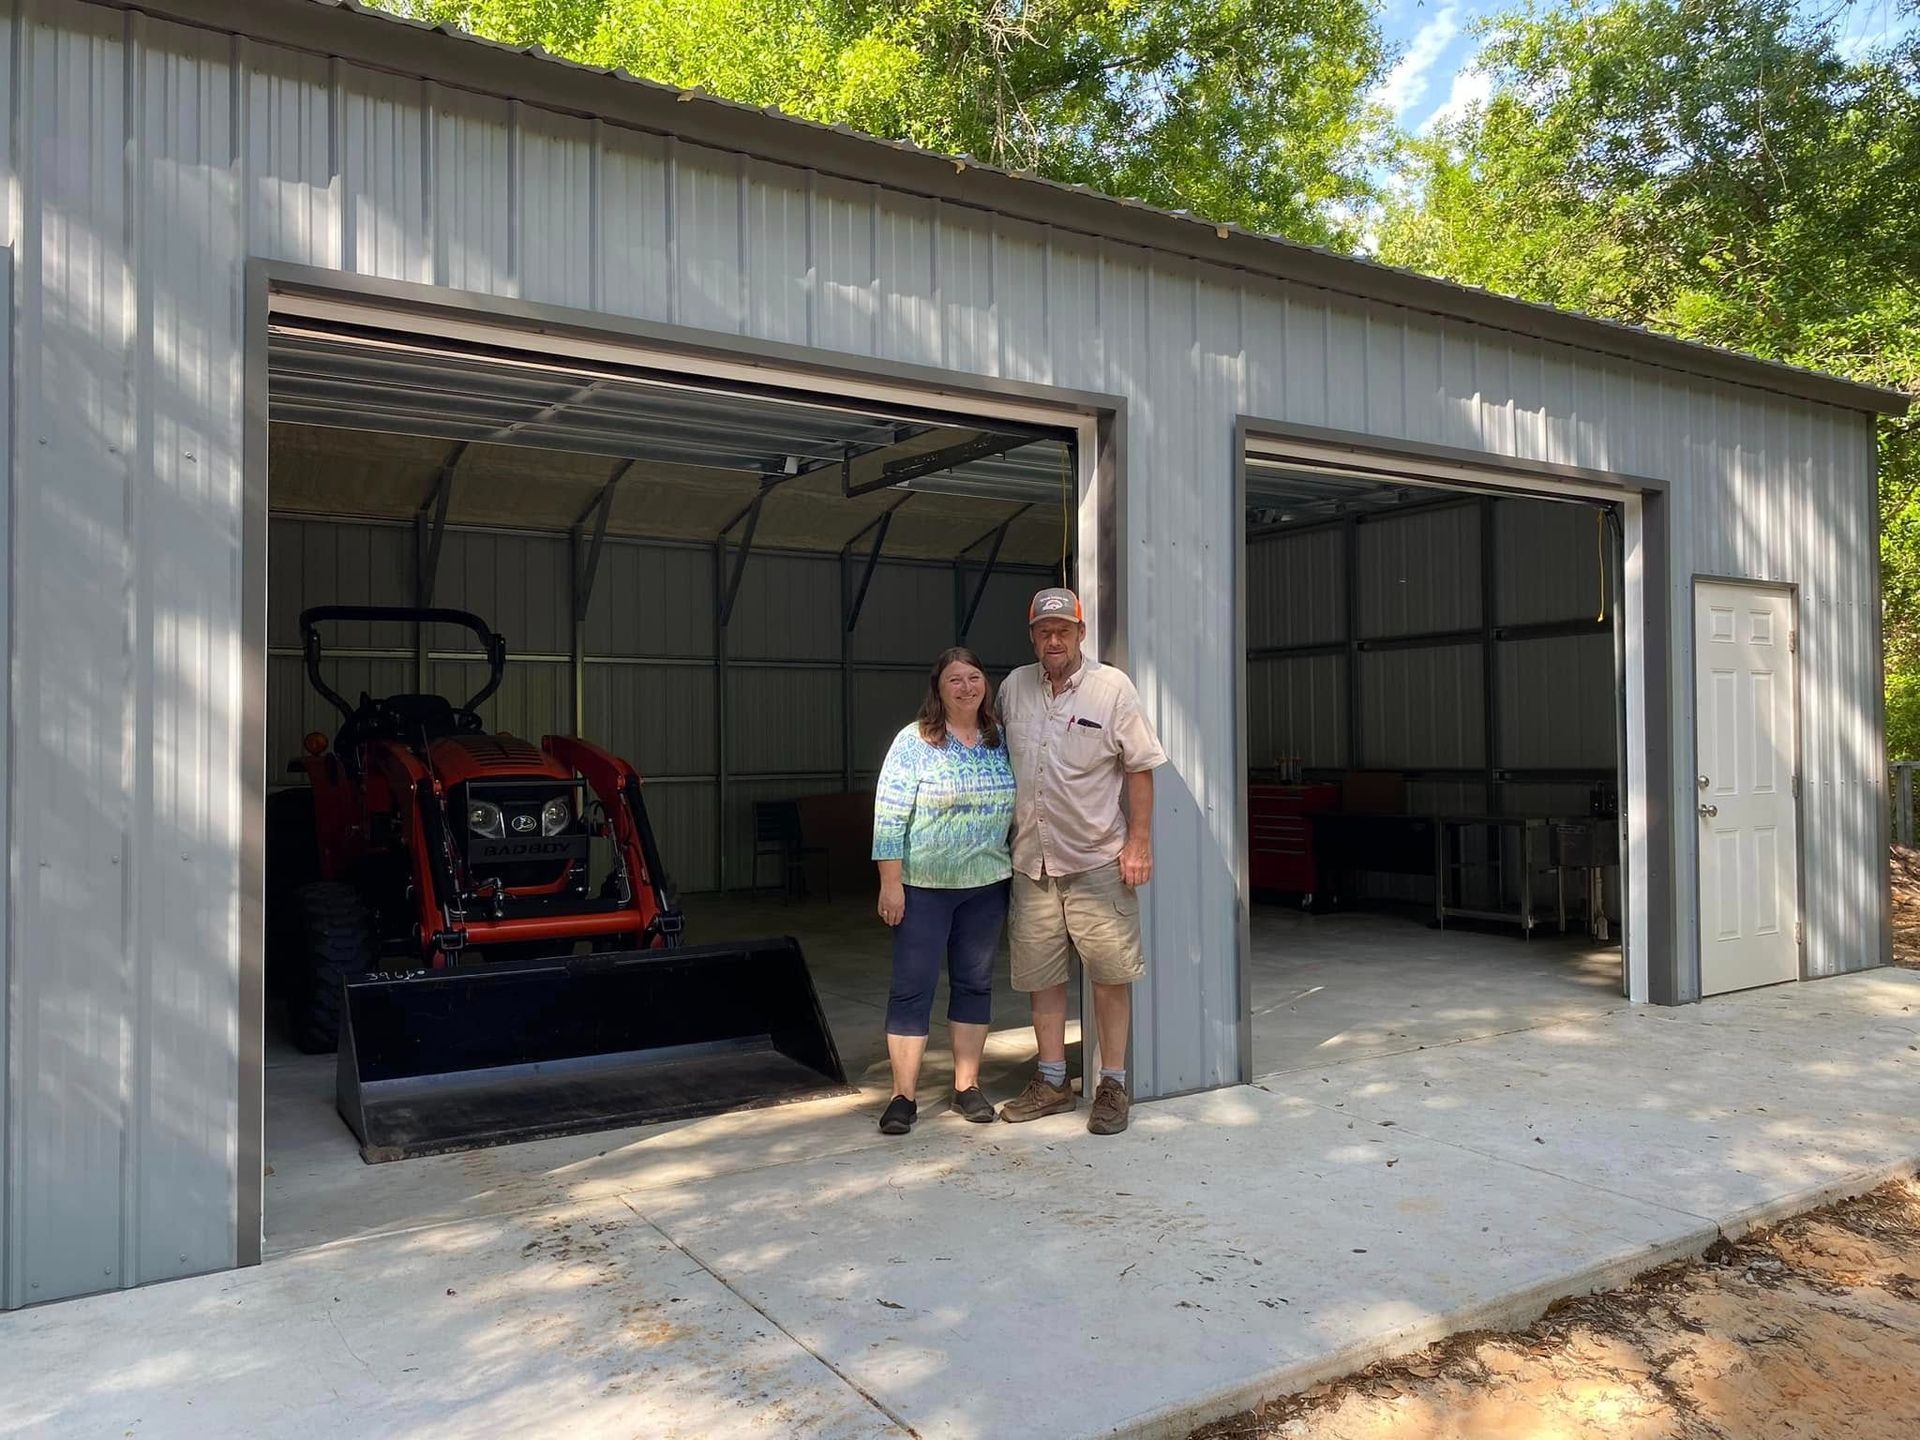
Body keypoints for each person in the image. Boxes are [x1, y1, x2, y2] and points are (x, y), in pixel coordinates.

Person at [997, 588, 1166, 1135]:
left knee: (1108, 976)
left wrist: (1138, 844)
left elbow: (1140, 768)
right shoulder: (1012, 688)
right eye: (1044, 631)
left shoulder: (1111, 688)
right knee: (1041, 978)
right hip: (1033, 863)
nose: (1053, 640)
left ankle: (1111, 1085)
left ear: (1080, 633)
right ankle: (1051, 1082)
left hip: (1097, 861)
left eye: (1063, 631)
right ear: (1032, 636)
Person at [869, 646, 1017, 1135]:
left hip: (986, 887)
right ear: (938, 688)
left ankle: (967, 1088)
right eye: (955, 679)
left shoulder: (1000, 740)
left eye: (974, 677)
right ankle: (903, 1097)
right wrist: (891, 884)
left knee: (974, 985)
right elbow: (889, 817)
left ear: (985, 685)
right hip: (924, 889)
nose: (966, 687)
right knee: (913, 989)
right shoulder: (914, 742)